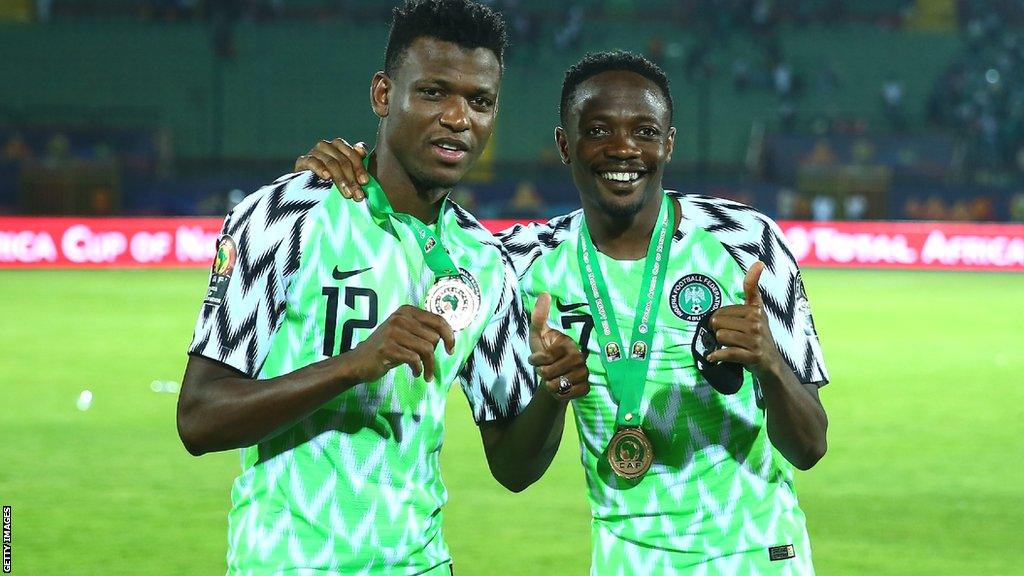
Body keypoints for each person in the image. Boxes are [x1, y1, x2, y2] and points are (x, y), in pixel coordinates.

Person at [298, 50, 830, 574]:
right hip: (626, 563)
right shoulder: (521, 266)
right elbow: (512, 470)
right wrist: (346, 166)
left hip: (761, 558)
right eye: (598, 130)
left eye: (645, 132)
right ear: (564, 144)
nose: (623, 149)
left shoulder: (748, 241)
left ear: (668, 144)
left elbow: (809, 446)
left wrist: (772, 365)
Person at [177, 2, 588, 574]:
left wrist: (554, 391)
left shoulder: (483, 263)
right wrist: (355, 364)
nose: (457, 117)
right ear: (381, 96)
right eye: (433, 92)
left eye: (480, 101)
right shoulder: (285, 217)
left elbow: (514, 468)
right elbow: (199, 418)